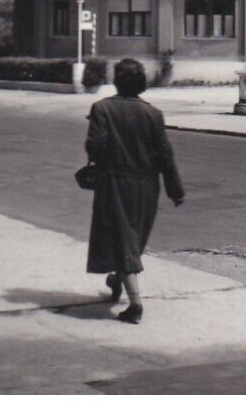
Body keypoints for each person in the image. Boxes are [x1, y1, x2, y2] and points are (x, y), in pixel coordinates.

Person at [85, 58, 184, 324]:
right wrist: (176, 190)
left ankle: (135, 305)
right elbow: (165, 155)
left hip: (116, 182)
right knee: (132, 239)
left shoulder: (102, 109)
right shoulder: (153, 114)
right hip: (148, 186)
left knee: (122, 238)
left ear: (117, 81)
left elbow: (95, 146)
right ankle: (118, 279)